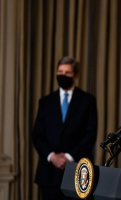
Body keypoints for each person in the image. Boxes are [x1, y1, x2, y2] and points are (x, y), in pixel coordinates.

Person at [32, 57, 98, 200]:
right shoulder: (46, 101)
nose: (63, 75)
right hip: (49, 173)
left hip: (78, 171)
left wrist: (68, 157)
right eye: (60, 71)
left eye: (67, 72)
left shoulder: (87, 100)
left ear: (75, 75)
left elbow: (90, 134)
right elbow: (37, 135)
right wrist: (52, 156)